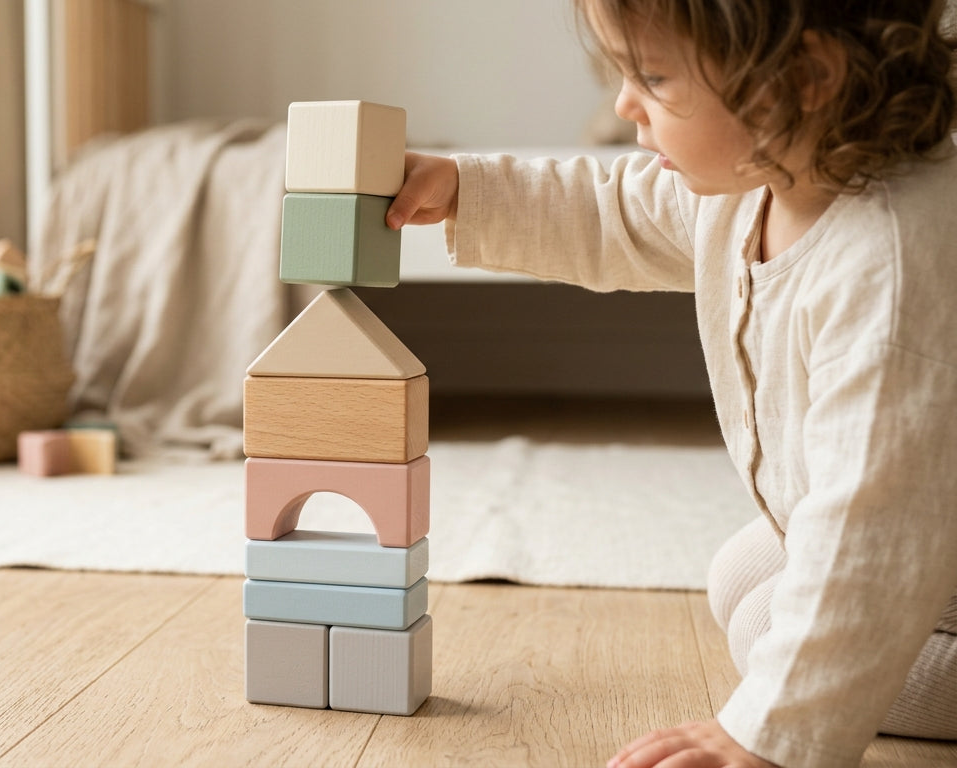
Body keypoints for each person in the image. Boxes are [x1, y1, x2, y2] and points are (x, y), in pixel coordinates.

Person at [385, 1, 957, 766]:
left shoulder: (890, 268)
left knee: (774, 627)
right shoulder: (757, 182)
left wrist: (766, 735)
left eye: (652, 78)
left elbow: (873, 534)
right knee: (743, 578)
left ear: (804, 79)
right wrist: (466, 188)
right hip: (921, 521)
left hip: (923, 533)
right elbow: (610, 212)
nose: (625, 103)